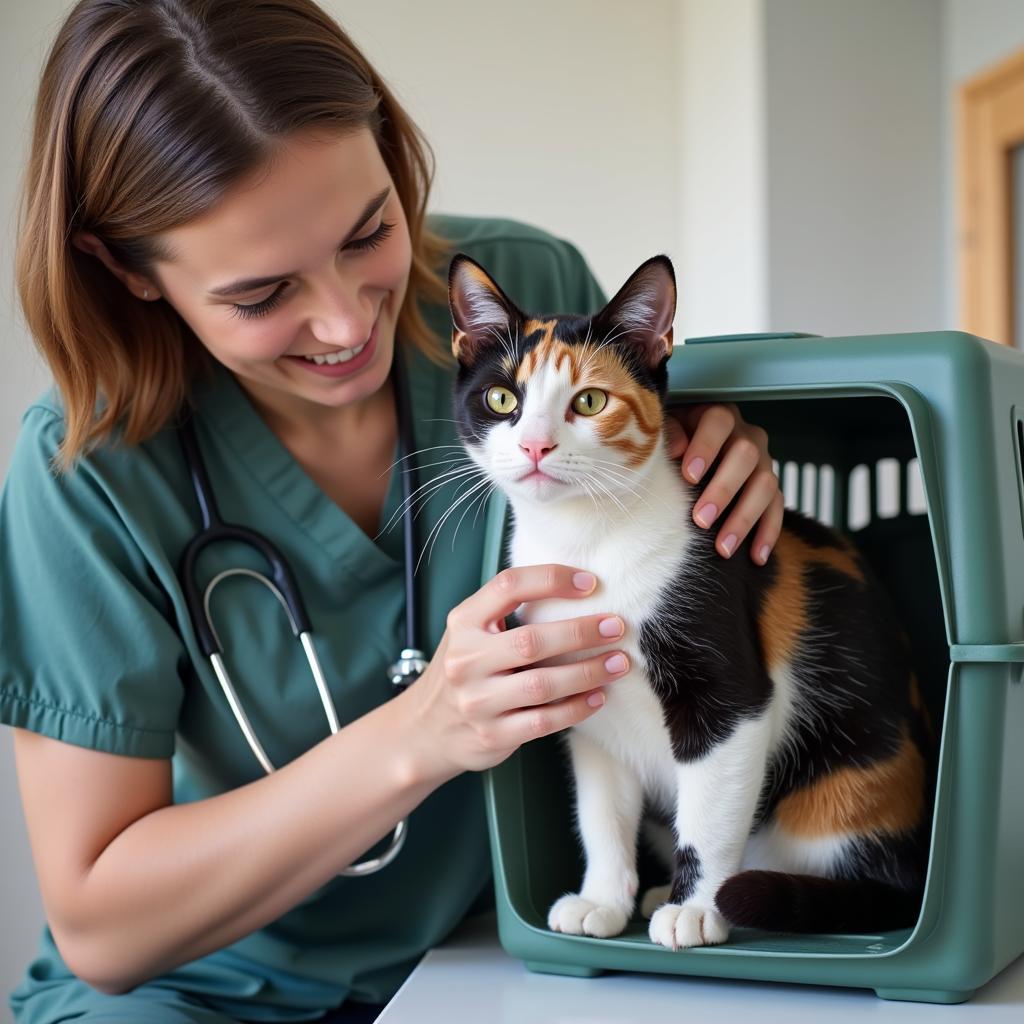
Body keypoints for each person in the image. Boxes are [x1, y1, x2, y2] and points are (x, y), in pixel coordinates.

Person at [0, 2, 784, 1021]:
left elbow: (658, 536)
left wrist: (721, 464)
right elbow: (104, 930)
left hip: (501, 954)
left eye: (369, 230)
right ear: (126, 269)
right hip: (198, 993)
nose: (344, 321)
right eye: (261, 292)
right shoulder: (86, 466)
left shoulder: (520, 292)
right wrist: (424, 731)